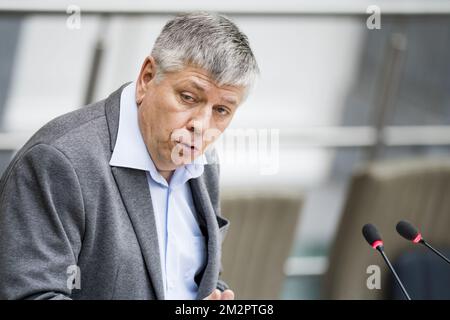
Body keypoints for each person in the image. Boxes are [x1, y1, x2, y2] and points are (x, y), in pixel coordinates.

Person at [0, 11, 259, 300]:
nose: (202, 125)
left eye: (221, 111)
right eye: (188, 97)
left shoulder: (204, 161)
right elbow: (31, 295)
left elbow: (188, 274)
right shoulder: (59, 160)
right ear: (147, 78)